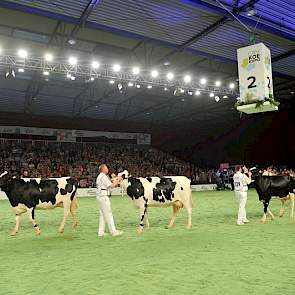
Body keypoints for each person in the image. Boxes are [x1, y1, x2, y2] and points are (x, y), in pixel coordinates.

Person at [96, 164, 123, 237]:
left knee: (103, 215)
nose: (107, 169)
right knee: (108, 214)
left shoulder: (100, 176)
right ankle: (113, 232)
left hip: (100, 196)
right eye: (106, 168)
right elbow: (112, 185)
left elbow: (109, 183)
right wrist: (118, 180)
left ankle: (100, 232)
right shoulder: (103, 176)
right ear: (103, 169)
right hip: (103, 196)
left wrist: (115, 179)